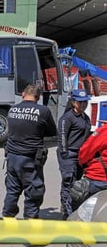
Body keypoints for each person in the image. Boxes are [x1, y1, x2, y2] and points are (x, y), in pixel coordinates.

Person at [2, 84, 57, 219]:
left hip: (12, 157)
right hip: (30, 160)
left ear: (23, 94)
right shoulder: (43, 111)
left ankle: (7, 218)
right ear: (38, 97)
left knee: (12, 190)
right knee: (33, 192)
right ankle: (30, 224)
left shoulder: (12, 110)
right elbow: (51, 132)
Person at [56, 89, 91, 219]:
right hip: (69, 154)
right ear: (73, 102)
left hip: (80, 155)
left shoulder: (85, 118)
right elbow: (62, 136)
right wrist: (65, 154)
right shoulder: (67, 117)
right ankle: (67, 211)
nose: (83, 105)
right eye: (80, 102)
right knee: (68, 182)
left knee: (77, 184)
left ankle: (73, 208)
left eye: (85, 102)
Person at [78, 121, 107, 200]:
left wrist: (82, 164)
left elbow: (85, 152)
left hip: (99, 179)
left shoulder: (103, 131)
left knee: (85, 209)